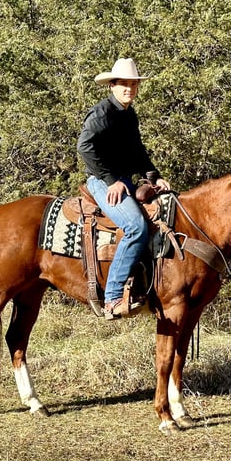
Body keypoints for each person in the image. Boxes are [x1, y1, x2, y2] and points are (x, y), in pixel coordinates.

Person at [77, 58, 171, 319]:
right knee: (136, 227)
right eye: (123, 84)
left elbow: (137, 152)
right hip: (101, 181)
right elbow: (84, 147)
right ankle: (113, 297)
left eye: (133, 84)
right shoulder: (102, 113)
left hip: (124, 180)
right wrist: (110, 180)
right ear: (113, 86)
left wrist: (154, 177)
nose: (129, 88)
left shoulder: (129, 115)